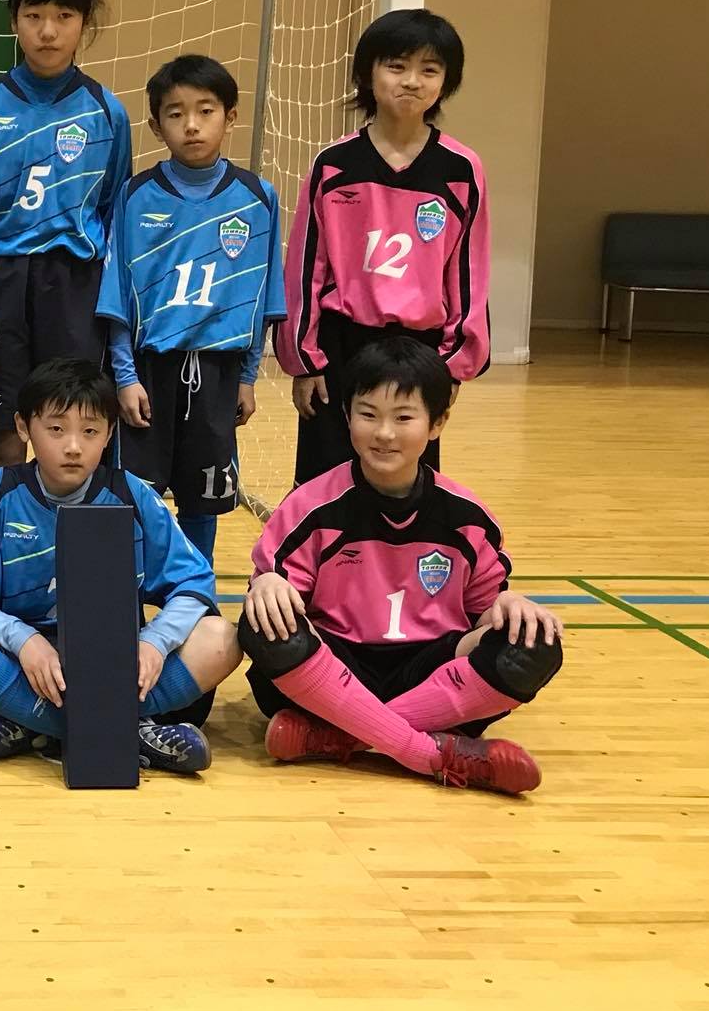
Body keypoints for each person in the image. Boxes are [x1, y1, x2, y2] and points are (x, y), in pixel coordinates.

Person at [237, 338, 560, 794]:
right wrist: (267, 583)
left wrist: (510, 605)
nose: (384, 433)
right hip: (336, 669)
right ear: (347, 415)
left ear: (437, 423)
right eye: (368, 415)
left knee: (534, 641)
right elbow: (278, 602)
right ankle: (429, 753)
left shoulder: (467, 517)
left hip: (431, 671)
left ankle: (340, 737)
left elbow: (485, 615)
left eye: (403, 418)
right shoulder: (311, 507)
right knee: (263, 624)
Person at [0, 358, 238, 773]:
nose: (73, 446)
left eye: (89, 431)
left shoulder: (132, 494)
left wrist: (154, 643)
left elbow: (194, 584)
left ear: (109, 433)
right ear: (23, 427)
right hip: (24, 664)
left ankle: (33, 724)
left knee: (222, 638)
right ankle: (133, 729)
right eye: (56, 429)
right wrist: (24, 640)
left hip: (118, 666)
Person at [276, 8, 490, 484]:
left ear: (446, 82)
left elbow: (468, 272)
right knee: (324, 483)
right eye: (396, 66)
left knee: (404, 482)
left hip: (420, 350)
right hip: (340, 347)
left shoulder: (461, 169)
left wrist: (453, 366)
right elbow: (306, 267)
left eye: (429, 69)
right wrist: (304, 360)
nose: (411, 81)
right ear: (368, 73)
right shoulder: (334, 163)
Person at [96, 54, 284, 564]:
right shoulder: (135, 195)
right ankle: (129, 591)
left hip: (218, 373)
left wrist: (247, 377)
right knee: (134, 497)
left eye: (206, 110)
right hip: (149, 370)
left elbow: (262, 300)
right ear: (157, 126)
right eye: (176, 114)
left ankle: (193, 591)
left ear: (231, 115)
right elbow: (117, 296)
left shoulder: (258, 198)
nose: (192, 125)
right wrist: (125, 376)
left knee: (205, 500)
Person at [0, 0, 130, 473]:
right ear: (14, 21)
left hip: (74, 287)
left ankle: (72, 530)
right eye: (34, 16)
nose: (48, 31)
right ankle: (3, 527)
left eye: (64, 16)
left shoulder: (107, 112)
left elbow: (112, 212)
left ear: (84, 23)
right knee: (3, 436)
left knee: (72, 430)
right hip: (2, 281)